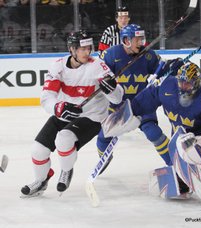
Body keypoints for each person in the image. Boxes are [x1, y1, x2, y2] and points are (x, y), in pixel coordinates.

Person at [114, 60, 201, 210]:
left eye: (188, 83)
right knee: (161, 184)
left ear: (197, 83)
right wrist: (129, 112)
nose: (183, 87)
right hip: (179, 143)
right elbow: (148, 97)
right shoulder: (167, 86)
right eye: (181, 82)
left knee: (190, 153)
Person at [20, 30, 124, 197]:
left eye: (89, 48)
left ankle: (66, 171)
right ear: (72, 50)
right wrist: (58, 107)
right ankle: (41, 181)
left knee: (64, 139)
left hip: (91, 117)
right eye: (82, 49)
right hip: (65, 114)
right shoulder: (58, 66)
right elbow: (46, 98)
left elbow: (118, 98)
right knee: (37, 150)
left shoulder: (97, 66)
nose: (87, 52)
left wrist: (112, 89)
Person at [96, 24, 172, 174]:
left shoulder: (148, 55)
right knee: (104, 136)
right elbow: (99, 75)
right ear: (126, 40)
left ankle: (174, 162)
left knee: (154, 133)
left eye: (141, 39)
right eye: (137, 40)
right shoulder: (110, 54)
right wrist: (105, 81)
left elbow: (163, 71)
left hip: (142, 103)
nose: (141, 43)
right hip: (118, 105)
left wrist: (169, 68)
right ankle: (104, 158)